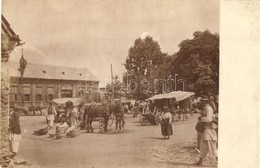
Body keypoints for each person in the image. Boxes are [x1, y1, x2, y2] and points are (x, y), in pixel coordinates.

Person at [194, 96, 218, 165]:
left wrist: (201, 118)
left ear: (206, 101)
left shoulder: (209, 108)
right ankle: (200, 161)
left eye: (203, 101)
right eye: (202, 101)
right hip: (206, 129)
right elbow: (206, 116)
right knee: (203, 145)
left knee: (211, 146)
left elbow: (209, 119)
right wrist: (200, 113)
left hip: (209, 129)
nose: (202, 102)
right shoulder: (206, 108)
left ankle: (218, 159)